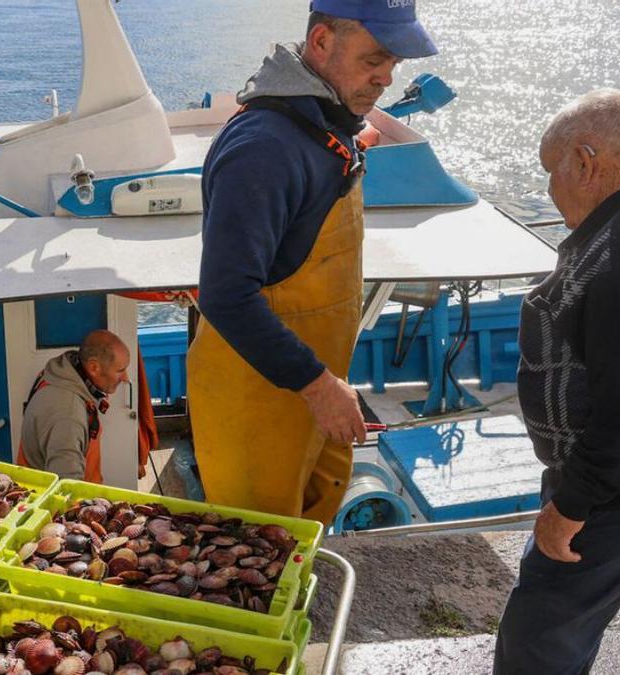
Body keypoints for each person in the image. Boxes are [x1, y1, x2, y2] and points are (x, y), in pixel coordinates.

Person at [188, 0, 436, 523]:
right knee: (258, 549)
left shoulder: (328, 123)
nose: (386, 78)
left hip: (314, 392)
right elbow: (226, 296)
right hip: (258, 403)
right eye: (374, 59)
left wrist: (323, 388)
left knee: (309, 533)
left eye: (393, 63)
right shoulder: (264, 148)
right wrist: (318, 386)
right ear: (321, 42)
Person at [494, 89, 620, 674]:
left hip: (614, 489)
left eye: (549, 171)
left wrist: (573, 503)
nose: (548, 190)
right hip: (619, 478)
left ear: (584, 161)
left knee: (540, 634)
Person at [18, 330, 131, 482]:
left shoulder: (60, 376)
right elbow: (67, 485)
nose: (125, 378)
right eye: (120, 370)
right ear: (93, 367)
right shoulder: (67, 415)